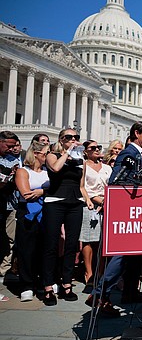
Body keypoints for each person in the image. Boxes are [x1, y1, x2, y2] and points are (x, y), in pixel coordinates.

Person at [86, 121, 142, 315]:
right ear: (136, 133)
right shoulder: (129, 154)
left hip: (136, 212)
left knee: (134, 256)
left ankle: (130, 292)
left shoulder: (141, 155)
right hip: (126, 212)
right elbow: (116, 181)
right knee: (122, 256)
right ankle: (99, 294)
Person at [41, 128, 93, 306]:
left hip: (75, 203)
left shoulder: (81, 161)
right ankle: (48, 286)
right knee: (51, 244)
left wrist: (86, 199)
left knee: (72, 245)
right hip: (55, 201)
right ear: (61, 140)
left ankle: (67, 284)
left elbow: (81, 184)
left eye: (76, 137)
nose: (73, 140)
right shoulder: (52, 155)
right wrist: (68, 152)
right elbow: (55, 169)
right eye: (69, 137)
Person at [14, 141, 50, 301]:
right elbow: (26, 193)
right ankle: (26, 284)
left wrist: (41, 191)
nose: (48, 156)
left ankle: (42, 282)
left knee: (44, 248)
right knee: (26, 249)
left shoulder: (47, 171)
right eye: (45, 153)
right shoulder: (23, 171)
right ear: (36, 154)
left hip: (46, 212)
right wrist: (45, 191)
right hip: (28, 212)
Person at [80, 140, 112, 288]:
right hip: (90, 204)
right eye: (92, 148)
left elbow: (111, 185)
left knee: (102, 241)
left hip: (107, 204)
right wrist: (99, 201)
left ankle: (100, 272)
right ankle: (89, 272)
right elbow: (84, 187)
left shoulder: (106, 167)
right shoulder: (83, 166)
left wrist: (107, 202)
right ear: (85, 151)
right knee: (88, 239)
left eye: (98, 147)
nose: (97, 150)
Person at [0, 131, 21, 285]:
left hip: (10, 204)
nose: (12, 149)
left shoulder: (13, 160)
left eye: (14, 146)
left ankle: (3, 273)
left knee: (10, 240)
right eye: (9, 145)